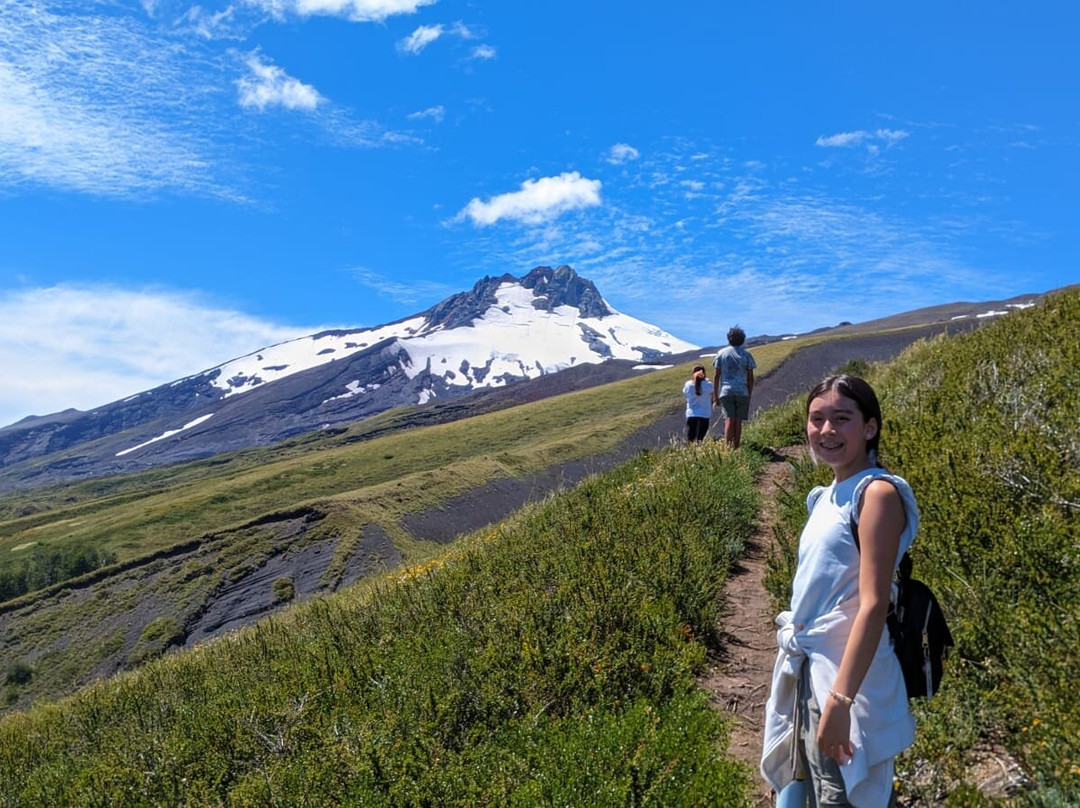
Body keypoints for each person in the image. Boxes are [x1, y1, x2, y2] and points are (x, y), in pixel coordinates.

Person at [761, 375, 919, 807]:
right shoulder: (825, 495)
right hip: (814, 669)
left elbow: (872, 604)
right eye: (817, 419)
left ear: (870, 427)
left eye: (841, 418)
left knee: (841, 796)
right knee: (815, 790)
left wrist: (841, 701)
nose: (826, 430)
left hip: (848, 680)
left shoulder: (877, 494)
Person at [712, 326, 756, 448]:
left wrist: (715, 395)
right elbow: (750, 377)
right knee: (738, 421)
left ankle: (728, 449)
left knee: (729, 419)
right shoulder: (747, 355)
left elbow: (716, 375)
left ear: (729, 339)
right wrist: (749, 393)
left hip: (726, 391)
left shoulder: (721, 354)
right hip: (742, 391)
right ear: (742, 340)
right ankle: (736, 447)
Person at [682, 364, 714, 443]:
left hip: (691, 414)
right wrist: (706, 380)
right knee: (700, 439)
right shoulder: (708, 385)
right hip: (704, 414)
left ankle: (691, 454)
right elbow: (713, 392)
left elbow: (685, 392)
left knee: (690, 439)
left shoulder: (688, 384)